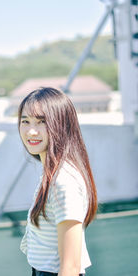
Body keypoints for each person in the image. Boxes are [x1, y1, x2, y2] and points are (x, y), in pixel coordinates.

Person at [18, 87, 97, 276]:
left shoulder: (63, 181)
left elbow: (70, 267)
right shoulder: (52, 173)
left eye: (41, 122)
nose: (31, 131)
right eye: (25, 121)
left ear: (61, 124)